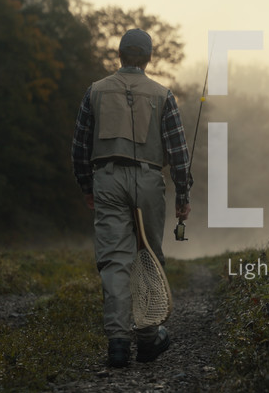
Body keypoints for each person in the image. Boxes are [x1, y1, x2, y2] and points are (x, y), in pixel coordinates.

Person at [71, 28, 192, 368]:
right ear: (149, 58)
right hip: (149, 179)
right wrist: (183, 193)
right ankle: (149, 339)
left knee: (114, 261)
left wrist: (87, 186)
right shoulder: (162, 95)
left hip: (107, 179)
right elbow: (179, 152)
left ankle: (118, 344)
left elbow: (79, 147)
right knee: (149, 257)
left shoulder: (94, 92)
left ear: (120, 56)